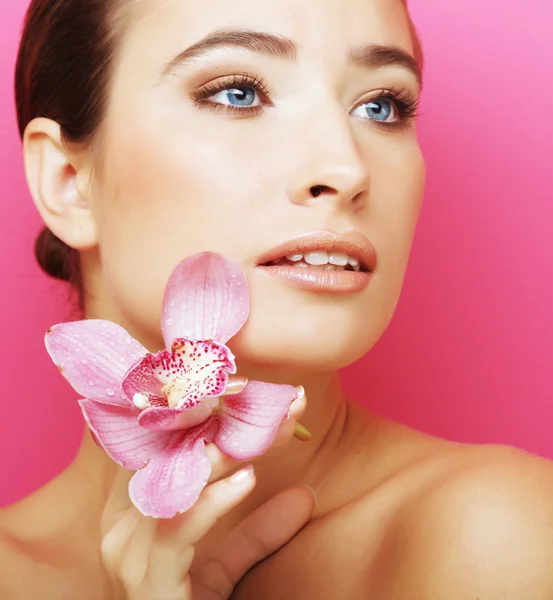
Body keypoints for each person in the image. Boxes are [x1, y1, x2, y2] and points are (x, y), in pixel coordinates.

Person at [2, 0, 553, 597]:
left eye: (381, 105)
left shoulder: (498, 537)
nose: (345, 168)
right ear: (68, 184)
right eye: (238, 92)